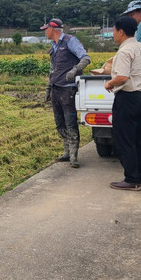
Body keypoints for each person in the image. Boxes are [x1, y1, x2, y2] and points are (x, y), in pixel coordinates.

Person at [104, 16, 141, 191]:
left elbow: (123, 77)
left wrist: (109, 83)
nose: (113, 34)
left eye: (113, 30)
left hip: (127, 98)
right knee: (140, 139)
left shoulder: (124, 51)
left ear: (121, 32)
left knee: (125, 140)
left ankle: (131, 179)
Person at [41, 18, 91, 168]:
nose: (45, 32)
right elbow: (52, 70)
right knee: (59, 122)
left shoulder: (70, 41)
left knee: (70, 122)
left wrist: (75, 70)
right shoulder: (53, 47)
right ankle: (66, 152)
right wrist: (48, 88)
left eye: (46, 29)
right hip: (56, 88)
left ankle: (74, 156)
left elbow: (85, 58)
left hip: (68, 89)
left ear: (52, 29)